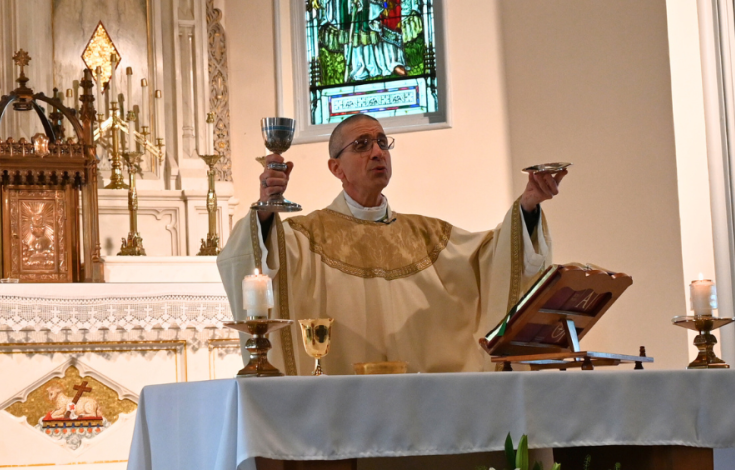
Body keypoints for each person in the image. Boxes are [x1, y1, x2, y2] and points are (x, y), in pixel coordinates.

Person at [218, 113, 567, 374]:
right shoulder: (305, 237)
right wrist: (265, 208)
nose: (377, 152)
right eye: (362, 145)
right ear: (335, 168)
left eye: (383, 143)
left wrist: (528, 206)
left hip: (422, 405)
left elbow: (494, 260)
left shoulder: (430, 235)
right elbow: (254, 259)